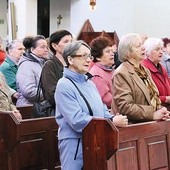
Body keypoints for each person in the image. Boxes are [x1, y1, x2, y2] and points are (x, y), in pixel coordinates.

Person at [55, 40, 128, 170]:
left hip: (95, 140)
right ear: (70, 59)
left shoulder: (89, 82)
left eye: (89, 56)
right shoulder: (64, 84)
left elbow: (102, 110)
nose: (88, 60)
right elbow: (76, 120)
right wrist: (109, 122)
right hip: (75, 144)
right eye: (83, 56)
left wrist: (112, 118)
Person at [111, 33, 170, 123]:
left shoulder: (144, 70)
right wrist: (153, 114)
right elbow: (125, 107)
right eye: (138, 46)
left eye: (142, 44)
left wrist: (161, 110)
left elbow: (151, 97)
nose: (143, 48)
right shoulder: (121, 73)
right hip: (134, 127)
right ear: (128, 53)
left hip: (149, 125)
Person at [41, 30, 72, 106]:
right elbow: (52, 95)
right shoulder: (50, 65)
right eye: (66, 41)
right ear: (55, 46)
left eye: (71, 41)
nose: (70, 44)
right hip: (59, 109)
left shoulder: (72, 63)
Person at [16, 35, 48, 106]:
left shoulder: (43, 63)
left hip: (41, 106)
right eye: (42, 47)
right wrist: (50, 93)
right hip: (29, 108)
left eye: (46, 47)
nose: (46, 50)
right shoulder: (26, 65)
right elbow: (29, 92)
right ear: (32, 49)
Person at [142, 37, 170, 108]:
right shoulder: (144, 68)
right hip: (156, 108)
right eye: (157, 49)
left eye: (161, 49)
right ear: (148, 52)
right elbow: (146, 97)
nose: (161, 52)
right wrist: (165, 99)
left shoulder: (161, 67)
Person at [89, 36, 114, 109]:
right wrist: (124, 103)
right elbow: (106, 99)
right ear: (98, 57)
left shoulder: (110, 70)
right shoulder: (96, 75)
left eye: (112, 51)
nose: (112, 54)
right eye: (107, 51)